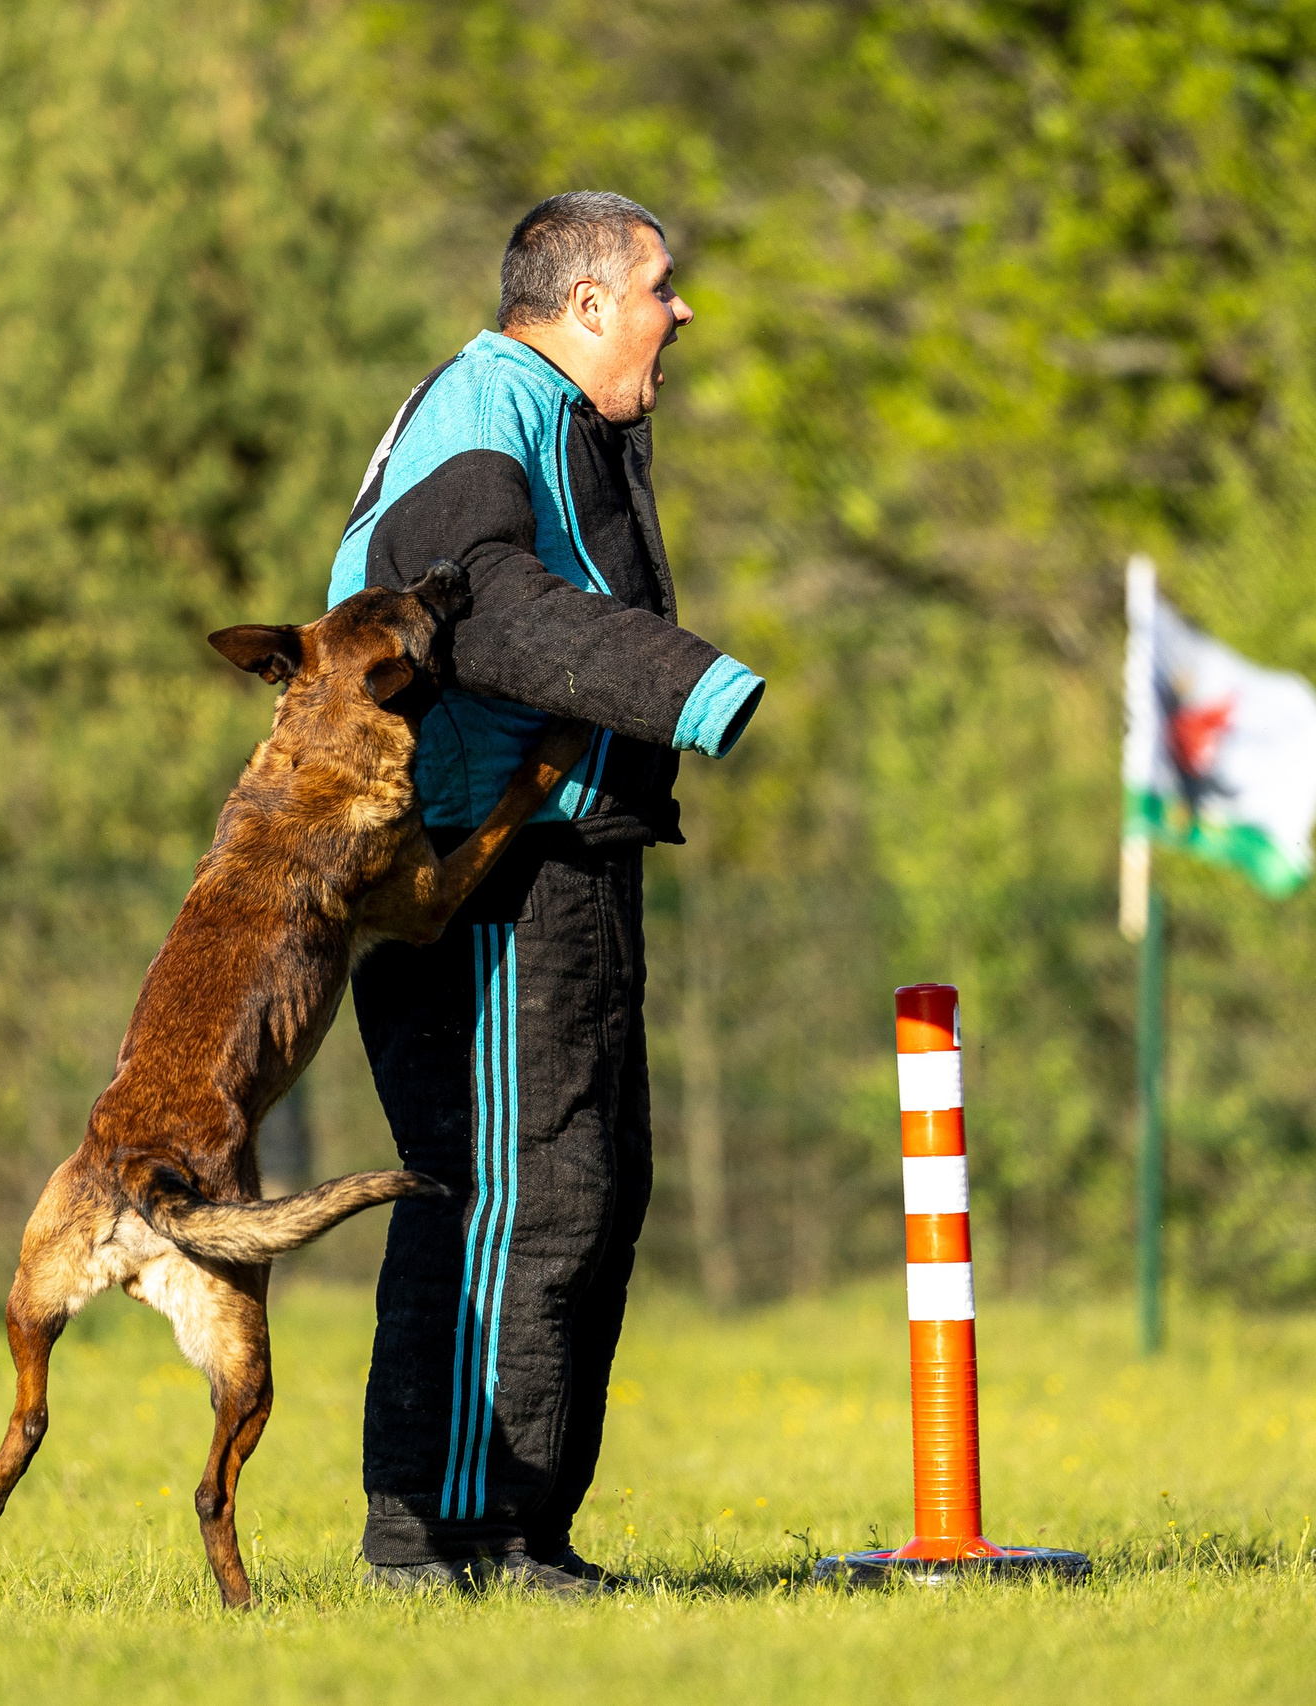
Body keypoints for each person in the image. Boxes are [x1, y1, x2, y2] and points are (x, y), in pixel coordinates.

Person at [327, 191, 764, 1594]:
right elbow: (477, 604)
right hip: (487, 865)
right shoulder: (487, 404)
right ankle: (459, 1535)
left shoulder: (537, 410)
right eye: (658, 286)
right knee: (526, 1193)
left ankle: (505, 1531)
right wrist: (684, 683)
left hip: (548, 852)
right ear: (585, 306)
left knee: (568, 1188)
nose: (678, 310)